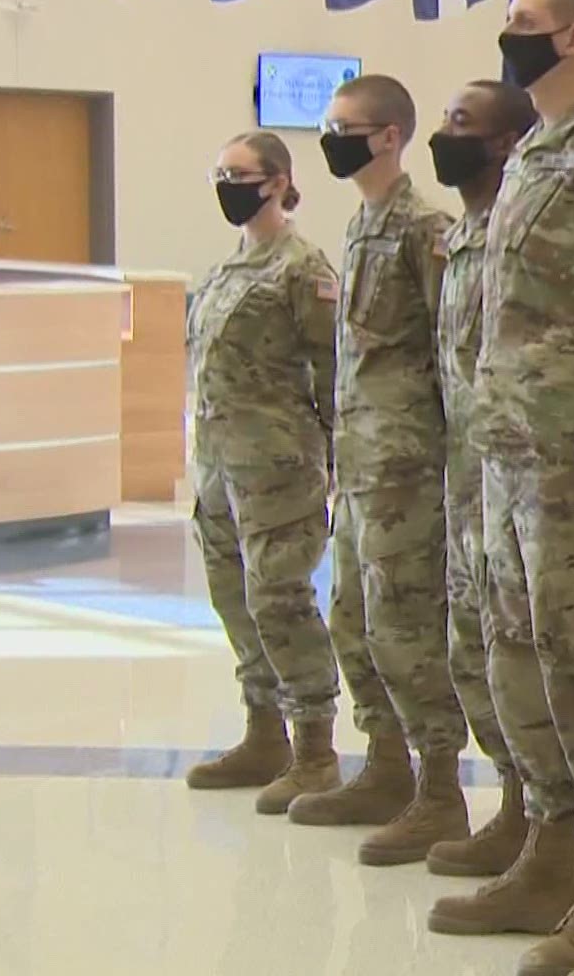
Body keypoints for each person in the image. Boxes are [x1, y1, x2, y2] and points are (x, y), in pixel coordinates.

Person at [426, 0, 574, 976]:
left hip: (572, 463)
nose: (504, 36)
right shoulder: (531, 156)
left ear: (572, 39)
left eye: (520, 23)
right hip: (504, 459)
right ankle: (547, 843)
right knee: (513, 654)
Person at [285, 74, 474, 867]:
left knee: (404, 627)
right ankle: (386, 764)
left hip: (408, 468)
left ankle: (439, 789)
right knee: (354, 621)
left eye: (346, 127)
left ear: (391, 135)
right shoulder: (361, 225)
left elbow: (452, 351)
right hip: (361, 466)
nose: (332, 140)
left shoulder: (424, 229)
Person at [183, 132, 343, 809]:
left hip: (278, 462)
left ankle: (314, 747)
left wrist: (338, 454)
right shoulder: (228, 269)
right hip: (220, 462)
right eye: (221, 173)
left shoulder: (301, 268)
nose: (228, 184)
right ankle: (263, 731)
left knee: (279, 598)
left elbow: (335, 368)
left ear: (278, 180)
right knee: (232, 595)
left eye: (240, 174)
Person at [421, 79, 540, 879]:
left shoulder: (525, 235)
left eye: (461, 124)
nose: (444, 135)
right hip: (468, 483)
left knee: (527, 658)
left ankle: (552, 828)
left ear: (504, 143)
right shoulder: (461, 239)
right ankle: (512, 804)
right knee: (475, 658)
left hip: (522, 488)